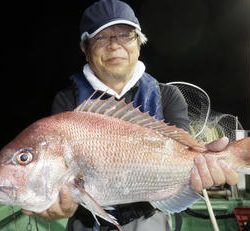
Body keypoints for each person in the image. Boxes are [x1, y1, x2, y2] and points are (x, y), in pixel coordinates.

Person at [22, 0, 239, 230]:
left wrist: (207, 166)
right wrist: (61, 203)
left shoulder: (168, 96)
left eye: (125, 35)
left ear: (138, 42)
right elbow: (65, 184)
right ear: (85, 49)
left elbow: (186, 154)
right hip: (89, 220)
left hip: (150, 216)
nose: (115, 45)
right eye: (101, 37)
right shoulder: (67, 101)